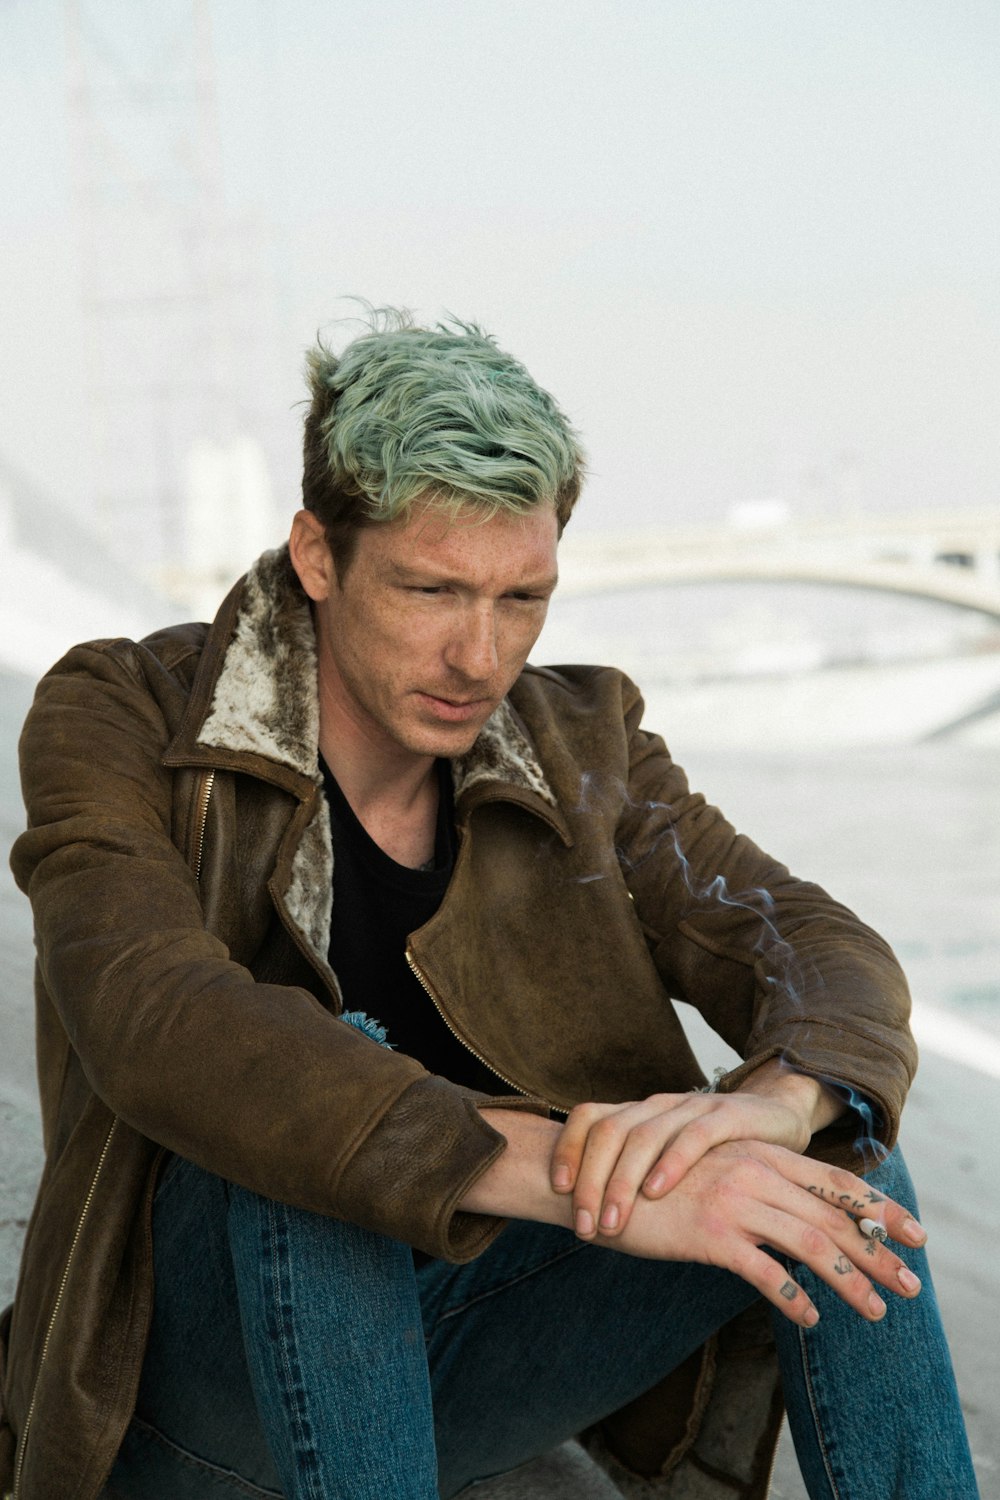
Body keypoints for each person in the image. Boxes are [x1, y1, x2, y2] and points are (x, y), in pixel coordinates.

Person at [0, 310, 977, 1500]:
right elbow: (151, 1016)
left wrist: (778, 1104)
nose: (480, 655)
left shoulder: (580, 744)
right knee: (313, 1123)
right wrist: (572, 1166)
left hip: (463, 1346)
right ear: (317, 555)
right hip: (184, 1392)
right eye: (430, 589)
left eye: (522, 598)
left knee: (841, 1169)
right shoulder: (128, 712)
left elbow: (809, 942)